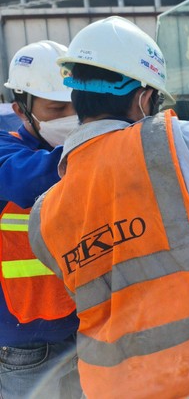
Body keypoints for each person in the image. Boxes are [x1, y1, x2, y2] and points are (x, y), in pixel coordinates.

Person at [26, 16, 189, 399]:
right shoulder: (168, 143)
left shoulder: (42, 215)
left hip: (114, 387)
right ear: (143, 97)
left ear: (76, 97)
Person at [0, 40, 82, 398]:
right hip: (24, 343)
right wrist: (100, 141)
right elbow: (29, 177)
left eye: (77, 105)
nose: (71, 116)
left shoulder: (80, 152)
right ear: (21, 109)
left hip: (80, 328)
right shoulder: (7, 151)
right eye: (57, 107)